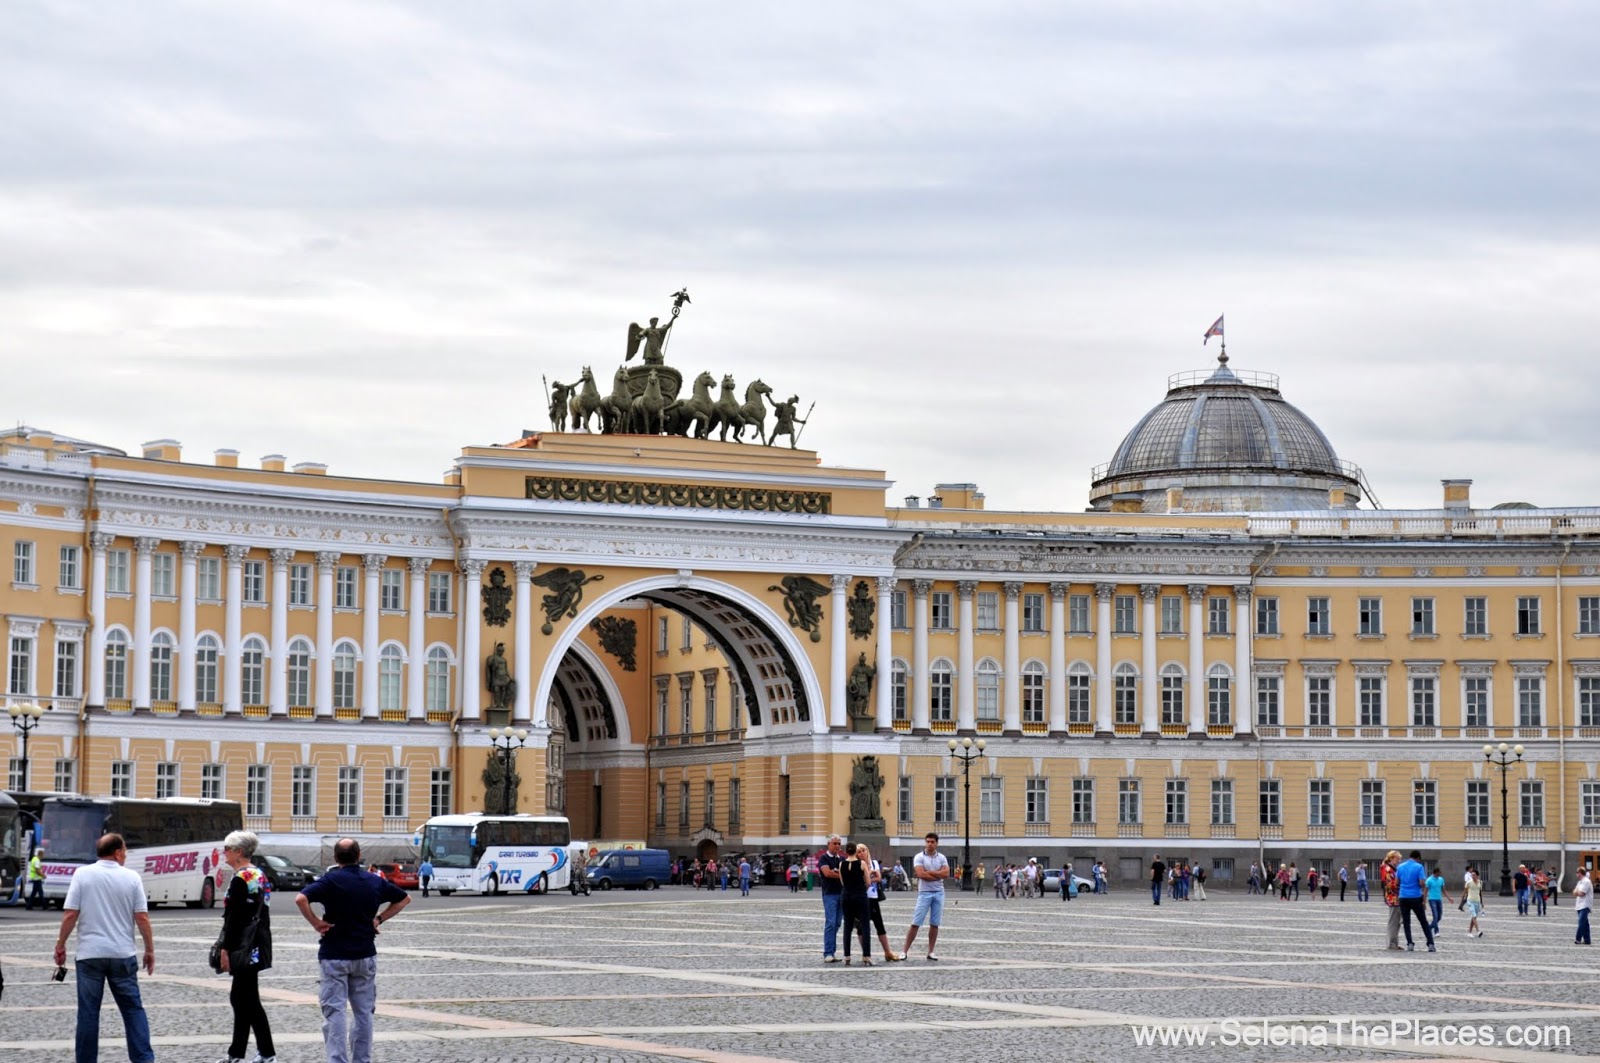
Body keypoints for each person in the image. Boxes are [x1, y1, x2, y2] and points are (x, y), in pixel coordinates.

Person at [296, 837, 411, 1063]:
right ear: (359, 856)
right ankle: (361, 1060)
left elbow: (301, 899)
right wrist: (379, 919)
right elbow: (404, 899)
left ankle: (338, 1060)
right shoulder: (373, 880)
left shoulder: (330, 880)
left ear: (336, 857)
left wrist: (316, 922)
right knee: (363, 1013)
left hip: (334, 954)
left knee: (335, 1012)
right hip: (365, 953)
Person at [52, 832, 155, 1063]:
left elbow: (70, 915)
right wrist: (149, 950)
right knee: (133, 1010)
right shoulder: (132, 878)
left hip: (90, 955)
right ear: (117, 853)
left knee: (88, 1013)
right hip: (122, 954)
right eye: (124, 851)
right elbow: (142, 918)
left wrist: (60, 945)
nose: (125, 855)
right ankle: (144, 1060)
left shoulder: (82, 875)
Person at [217, 829, 275, 1063]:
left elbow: (235, 917)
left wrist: (225, 949)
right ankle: (239, 1053)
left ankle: (266, 1054)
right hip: (257, 942)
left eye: (227, 849)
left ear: (239, 852)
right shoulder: (259, 875)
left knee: (246, 1000)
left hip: (243, 944)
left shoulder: (241, 878)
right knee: (243, 998)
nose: (224, 853)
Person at [902, 833, 949, 961]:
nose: (929, 844)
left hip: (939, 893)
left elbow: (946, 874)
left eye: (932, 842)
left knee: (935, 923)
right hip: (924, 892)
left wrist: (930, 872)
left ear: (937, 843)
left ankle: (931, 951)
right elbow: (921, 874)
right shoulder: (919, 857)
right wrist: (937, 875)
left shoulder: (942, 857)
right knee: (915, 922)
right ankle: (904, 951)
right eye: (927, 841)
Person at [859, 844, 902, 961]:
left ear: (867, 851)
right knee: (861, 927)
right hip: (862, 898)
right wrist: (870, 875)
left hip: (873, 897)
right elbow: (860, 880)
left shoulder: (874, 863)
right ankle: (865, 953)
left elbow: (878, 878)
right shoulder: (857, 864)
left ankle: (888, 952)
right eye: (859, 852)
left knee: (879, 925)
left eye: (863, 850)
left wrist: (867, 878)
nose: (862, 853)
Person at [1396, 850, 1436, 952]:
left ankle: (1410, 943)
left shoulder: (1400, 867)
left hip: (1403, 896)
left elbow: (1397, 882)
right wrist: (1420, 885)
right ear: (1418, 858)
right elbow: (1421, 882)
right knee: (1423, 921)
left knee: (1406, 922)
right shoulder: (1419, 867)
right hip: (1415, 896)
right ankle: (1430, 944)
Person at [839, 843, 872, 965]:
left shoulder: (841, 864)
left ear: (846, 852)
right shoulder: (862, 864)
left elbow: (842, 882)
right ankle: (866, 955)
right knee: (865, 925)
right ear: (855, 851)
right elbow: (868, 882)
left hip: (846, 895)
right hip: (860, 895)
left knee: (847, 926)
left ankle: (847, 956)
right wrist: (862, 888)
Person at [817, 836, 845, 962]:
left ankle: (832, 951)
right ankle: (828, 952)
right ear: (829, 844)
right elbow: (827, 873)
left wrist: (837, 872)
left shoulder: (842, 859)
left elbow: (846, 873)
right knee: (830, 923)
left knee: (837, 923)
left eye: (839, 843)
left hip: (842, 894)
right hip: (829, 894)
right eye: (835, 843)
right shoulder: (824, 858)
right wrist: (841, 874)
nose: (837, 846)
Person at [1380, 851, 1402, 950]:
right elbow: (1390, 884)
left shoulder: (1391, 869)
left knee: (1397, 922)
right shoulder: (1388, 869)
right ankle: (1391, 943)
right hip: (1393, 898)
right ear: (1392, 858)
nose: (1399, 861)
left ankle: (1394, 943)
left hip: (1396, 897)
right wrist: (1401, 882)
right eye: (1398, 859)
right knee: (1393, 922)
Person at [1424, 866, 1454, 936]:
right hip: (1432, 899)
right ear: (1436, 872)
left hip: (1439, 899)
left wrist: (1449, 898)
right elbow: (1425, 891)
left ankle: (1429, 928)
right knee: (1435, 915)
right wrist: (1424, 901)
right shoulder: (1429, 880)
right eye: (1439, 872)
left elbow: (1443, 890)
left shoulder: (1441, 879)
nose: (1440, 873)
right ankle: (1436, 931)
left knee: (1439, 916)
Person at [1463, 867, 1485, 938]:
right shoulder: (1468, 883)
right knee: (1474, 916)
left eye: (1474, 875)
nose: (1473, 876)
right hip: (1470, 901)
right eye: (1472, 875)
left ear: (1477, 876)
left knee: (1474, 917)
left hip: (1477, 901)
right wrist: (1461, 902)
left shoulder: (1480, 882)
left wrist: (1482, 902)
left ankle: (1469, 932)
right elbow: (1465, 892)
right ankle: (1478, 931)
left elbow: (1480, 893)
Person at [1574, 867, 1592, 945]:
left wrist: (1577, 892)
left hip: (1585, 904)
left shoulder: (1586, 881)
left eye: (1577, 872)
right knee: (1585, 923)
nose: (1576, 874)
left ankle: (1578, 939)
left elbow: (1582, 893)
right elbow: (1574, 892)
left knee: (1581, 922)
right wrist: (1577, 892)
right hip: (1579, 904)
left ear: (1580, 873)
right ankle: (1587, 940)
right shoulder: (1579, 882)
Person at [26, 845, 45, 910]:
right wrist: (43, 875)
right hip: (37, 878)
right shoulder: (37, 860)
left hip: (35, 878)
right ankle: (44, 906)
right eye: (43, 855)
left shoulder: (34, 859)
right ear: (40, 854)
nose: (43, 856)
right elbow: (37, 870)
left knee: (34, 893)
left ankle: (29, 906)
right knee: (40, 893)